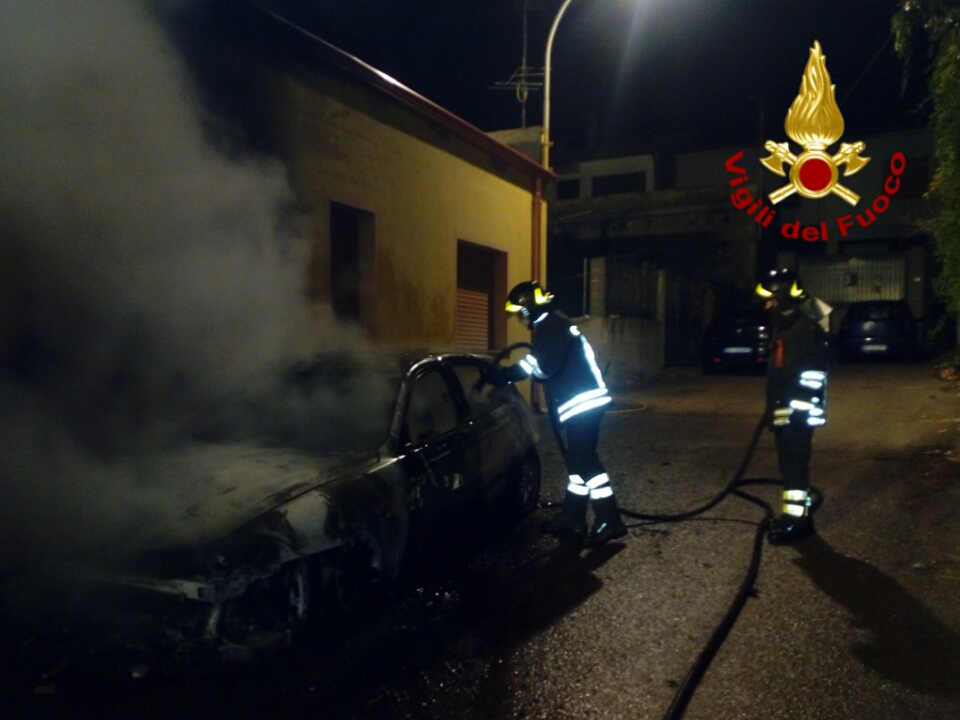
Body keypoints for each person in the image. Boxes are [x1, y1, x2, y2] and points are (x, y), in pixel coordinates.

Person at [488, 280, 627, 547]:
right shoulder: (553, 323)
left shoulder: (551, 326)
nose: (520, 318)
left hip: (583, 403)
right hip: (584, 402)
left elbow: (544, 368)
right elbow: (544, 364)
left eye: (520, 312)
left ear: (528, 307)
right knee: (576, 463)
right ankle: (573, 517)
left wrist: (505, 375)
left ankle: (610, 519)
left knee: (585, 462)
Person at [755, 268, 831, 544]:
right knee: (789, 467)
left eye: (771, 300)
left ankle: (797, 523)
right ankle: (798, 519)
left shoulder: (805, 328)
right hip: (785, 410)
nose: (767, 306)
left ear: (785, 297)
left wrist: (801, 410)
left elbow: (813, 374)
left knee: (795, 467)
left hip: (798, 414)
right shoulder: (785, 327)